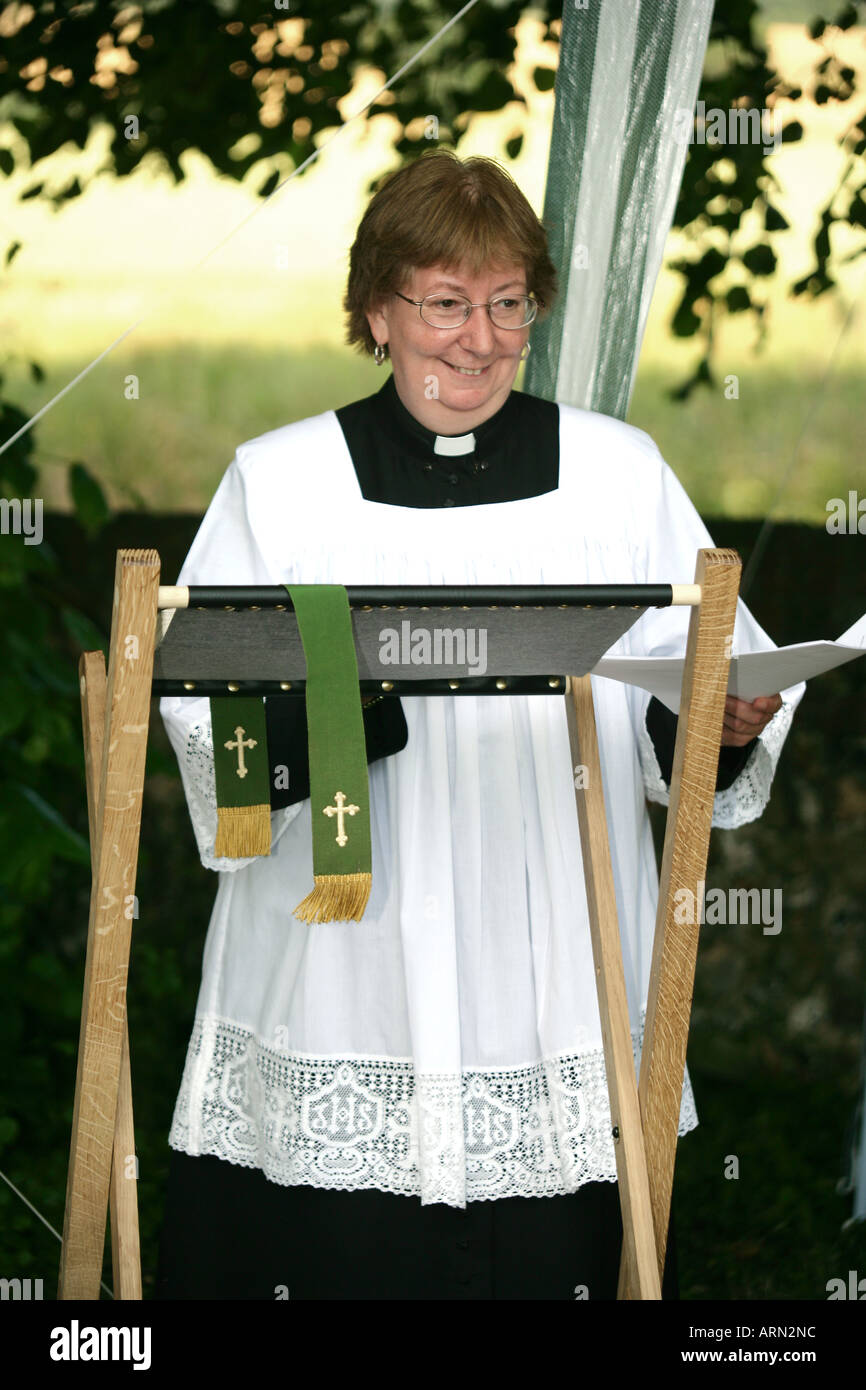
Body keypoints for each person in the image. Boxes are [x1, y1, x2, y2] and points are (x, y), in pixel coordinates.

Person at [155, 150, 799, 1301]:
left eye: (508, 304)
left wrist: (729, 719)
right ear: (375, 310)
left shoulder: (615, 476)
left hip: (556, 970)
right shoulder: (283, 483)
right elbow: (210, 730)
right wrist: (356, 708)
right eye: (445, 304)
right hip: (337, 963)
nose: (479, 338)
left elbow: (697, 682)